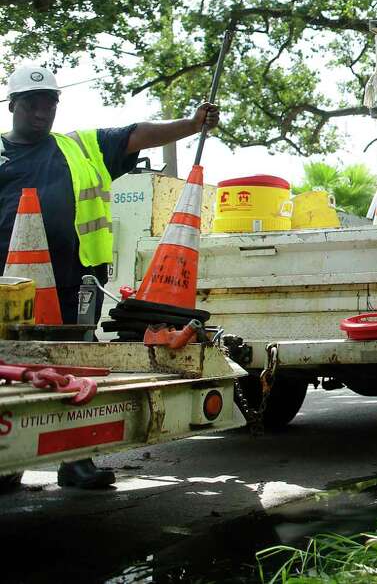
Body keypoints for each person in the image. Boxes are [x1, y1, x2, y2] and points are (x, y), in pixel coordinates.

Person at [1, 64, 218, 489]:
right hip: (10, 290)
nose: (42, 112)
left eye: (50, 103)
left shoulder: (80, 147)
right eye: (32, 103)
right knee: (12, 369)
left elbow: (135, 133)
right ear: (12, 105)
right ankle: (9, 463)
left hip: (76, 283)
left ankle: (76, 461)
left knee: (76, 365)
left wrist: (191, 124)